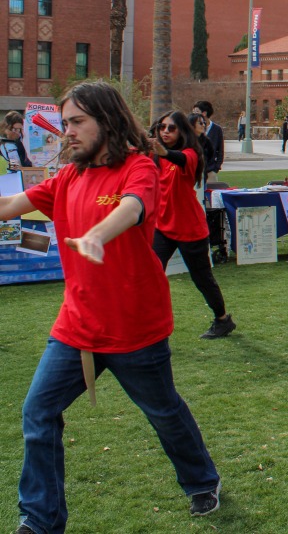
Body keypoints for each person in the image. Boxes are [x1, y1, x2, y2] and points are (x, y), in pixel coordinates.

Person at [0, 82, 221, 528]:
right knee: (38, 413)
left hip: (133, 326)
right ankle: (40, 520)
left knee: (164, 412)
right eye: (65, 124)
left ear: (108, 119)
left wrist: (98, 235)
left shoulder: (140, 167)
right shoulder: (67, 177)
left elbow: (134, 206)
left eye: (78, 122)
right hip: (76, 326)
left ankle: (201, 481)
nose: (68, 132)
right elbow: (8, 205)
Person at [148, 111, 236, 340]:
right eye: (162, 127)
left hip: (189, 229)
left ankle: (223, 319)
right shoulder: (155, 156)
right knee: (150, 274)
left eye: (171, 128)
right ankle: (147, 324)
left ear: (182, 131)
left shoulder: (191, 153)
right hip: (163, 227)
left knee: (202, 278)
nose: (165, 131)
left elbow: (182, 159)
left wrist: (164, 152)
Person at [192, 101, 224, 182]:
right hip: (195, 171)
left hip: (210, 171)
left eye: (196, 112)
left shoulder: (217, 129)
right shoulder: (191, 128)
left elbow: (220, 150)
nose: (194, 114)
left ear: (204, 113)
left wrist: (216, 168)